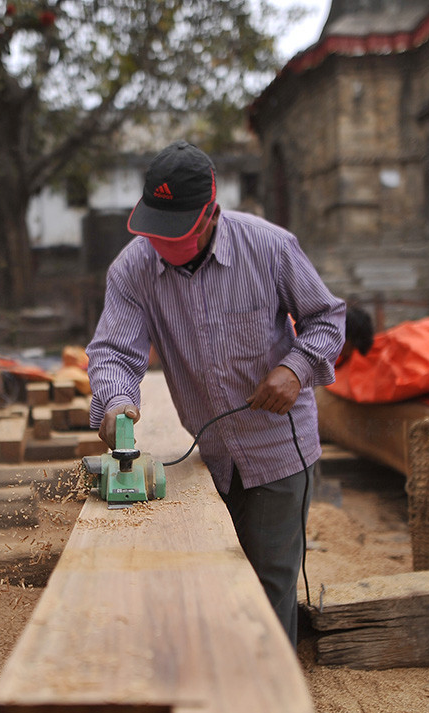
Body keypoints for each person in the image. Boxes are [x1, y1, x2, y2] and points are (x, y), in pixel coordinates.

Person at [87, 140, 346, 645]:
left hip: (279, 449)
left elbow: (326, 318)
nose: (160, 244)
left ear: (211, 215)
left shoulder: (269, 246)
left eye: (175, 233)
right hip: (213, 453)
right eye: (155, 232)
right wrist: (116, 401)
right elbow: (114, 350)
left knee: (269, 584)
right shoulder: (132, 269)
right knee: (218, 577)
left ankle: (272, 705)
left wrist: (295, 368)